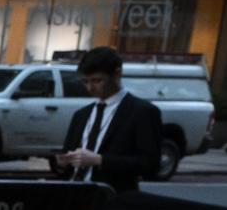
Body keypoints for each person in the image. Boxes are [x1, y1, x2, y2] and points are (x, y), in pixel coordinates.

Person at [52, 45, 161, 191]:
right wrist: (62, 163)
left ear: (117, 74)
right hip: (75, 194)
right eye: (85, 81)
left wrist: (100, 160)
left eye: (97, 81)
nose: (90, 88)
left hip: (113, 198)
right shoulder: (81, 115)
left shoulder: (142, 112)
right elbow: (67, 160)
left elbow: (150, 164)